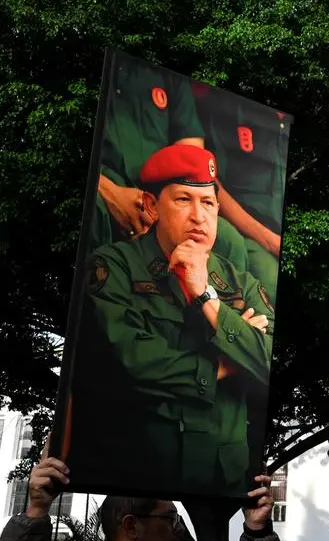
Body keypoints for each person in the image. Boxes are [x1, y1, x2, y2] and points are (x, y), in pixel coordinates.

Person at [67, 143, 275, 498]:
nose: (199, 216)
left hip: (220, 478)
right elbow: (131, 363)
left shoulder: (240, 282)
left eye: (208, 203)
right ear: (151, 206)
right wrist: (229, 362)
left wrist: (206, 297)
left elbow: (268, 360)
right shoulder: (113, 267)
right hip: (140, 474)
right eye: (183, 200)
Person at [0, 450, 283, 541]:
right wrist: (37, 509)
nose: (179, 529)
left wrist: (258, 530)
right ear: (131, 526)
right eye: (170, 518)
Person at [94, 52, 249, 270]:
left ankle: (210, 302)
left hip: (161, 192)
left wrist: (165, 208)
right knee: (93, 211)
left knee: (228, 240)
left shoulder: (170, 74)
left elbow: (193, 161)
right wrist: (108, 190)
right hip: (103, 182)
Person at [192, 82, 290, 303]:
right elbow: (212, 181)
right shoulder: (228, 107)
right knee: (269, 287)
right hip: (249, 234)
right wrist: (271, 242)